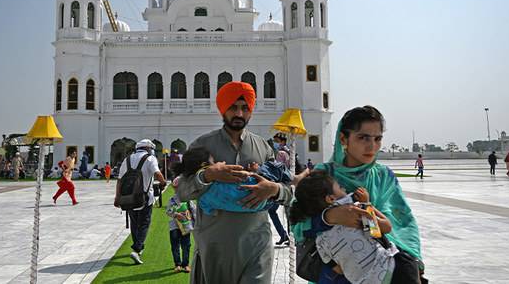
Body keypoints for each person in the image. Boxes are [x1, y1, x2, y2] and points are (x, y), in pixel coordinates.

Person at [291, 106, 426, 284]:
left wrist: (414, 264)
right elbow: (297, 221)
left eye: (377, 139)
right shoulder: (324, 174)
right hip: (335, 275)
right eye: (363, 137)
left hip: (384, 271)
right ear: (343, 138)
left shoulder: (383, 177)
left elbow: (404, 223)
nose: (372, 146)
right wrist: (328, 217)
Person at [176, 81, 293, 284]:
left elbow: (289, 192)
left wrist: (273, 189)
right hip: (214, 249)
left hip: (256, 248)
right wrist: (208, 175)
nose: (239, 113)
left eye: (244, 108)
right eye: (233, 107)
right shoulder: (202, 145)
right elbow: (182, 192)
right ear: (223, 109)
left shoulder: (263, 147)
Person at [290, 171, 400, 284]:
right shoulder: (354, 210)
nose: (344, 188)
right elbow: (382, 228)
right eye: (340, 187)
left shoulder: (321, 239)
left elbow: (336, 268)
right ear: (330, 198)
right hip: (388, 268)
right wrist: (366, 204)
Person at [114, 139, 166, 265]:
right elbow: (157, 174)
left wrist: (117, 197)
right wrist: (163, 182)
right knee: (144, 223)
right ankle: (136, 249)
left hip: (128, 198)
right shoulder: (150, 159)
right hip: (145, 197)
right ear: (148, 149)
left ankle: (138, 247)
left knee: (134, 223)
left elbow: (119, 180)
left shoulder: (127, 160)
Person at [166, 177, 196, 273]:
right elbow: (168, 211)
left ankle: (186, 264)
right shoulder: (172, 200)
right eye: (176, 188)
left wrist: (193, 221)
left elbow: (194, 211)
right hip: (174, 226)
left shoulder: (188, 200)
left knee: (186, 245)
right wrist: (175, 214)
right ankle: (177, 264)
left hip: (186, 226)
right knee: (175, 245)